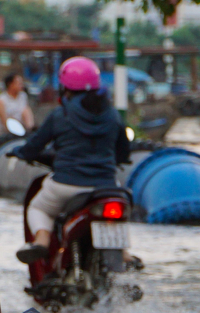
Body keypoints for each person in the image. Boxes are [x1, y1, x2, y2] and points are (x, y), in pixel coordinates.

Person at [11, 56, 130, 264]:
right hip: (105, 186)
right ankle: (125, 254)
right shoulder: (112, 115)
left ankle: (42, 240)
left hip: (66, 184)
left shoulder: (61, 114)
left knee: (38, 207)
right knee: (118, 206)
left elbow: (35, 146)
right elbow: (123, 154)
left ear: (64, 87)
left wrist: (21, 152)